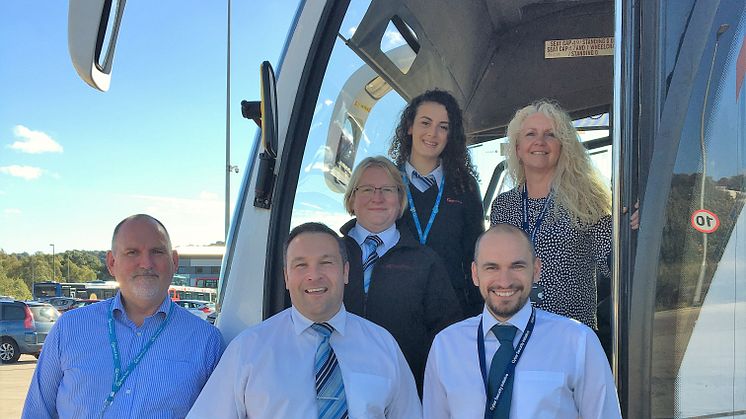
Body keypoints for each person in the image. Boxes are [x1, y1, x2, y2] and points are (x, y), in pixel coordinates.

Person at [187, 222, 421, 418]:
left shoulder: (383, 346)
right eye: (301, 265)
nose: (314, 275)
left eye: (326, 263)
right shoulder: (248, 350)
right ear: (287, 278)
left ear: (346, 272)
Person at [22, 214, 223, 419]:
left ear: (174, 261)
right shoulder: (69, 329)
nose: (146, 263)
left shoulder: (207, 341)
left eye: (157, 251)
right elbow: (36, 413)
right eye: (132, 252)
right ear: (111, 262)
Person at [423, 224, 622, 418]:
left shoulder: (578, 342)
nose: (504, 281)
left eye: (517, 266)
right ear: (475, 274)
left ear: (536, 270)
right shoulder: (446, 346)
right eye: (492, 267)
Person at [489, 99, 638, 329]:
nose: (540, 141)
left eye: (550, 134)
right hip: (514, 331)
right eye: (530, 134)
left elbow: (615, 262)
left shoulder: (587, 201)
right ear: (518, 148)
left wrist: (632, 228)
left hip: (570, 334)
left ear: (562, 146)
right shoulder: (503, 206)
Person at [340, 156, 462, 393]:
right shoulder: (328, 255)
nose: (377, 197)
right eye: (367, 189)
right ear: (352, 199)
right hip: (337, 389)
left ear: (400, 201)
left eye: (387, 189)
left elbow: (446, 336)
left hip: (404, 392)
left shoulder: (426, 262)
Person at [390, 89, 485, 317]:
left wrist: (477, 311)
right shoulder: (387, 180)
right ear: (410, 127)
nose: (433, 133)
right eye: (425, 123)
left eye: (443, 127)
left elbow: (475, 252)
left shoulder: (465, 186)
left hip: (451, 308)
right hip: (395, 305)